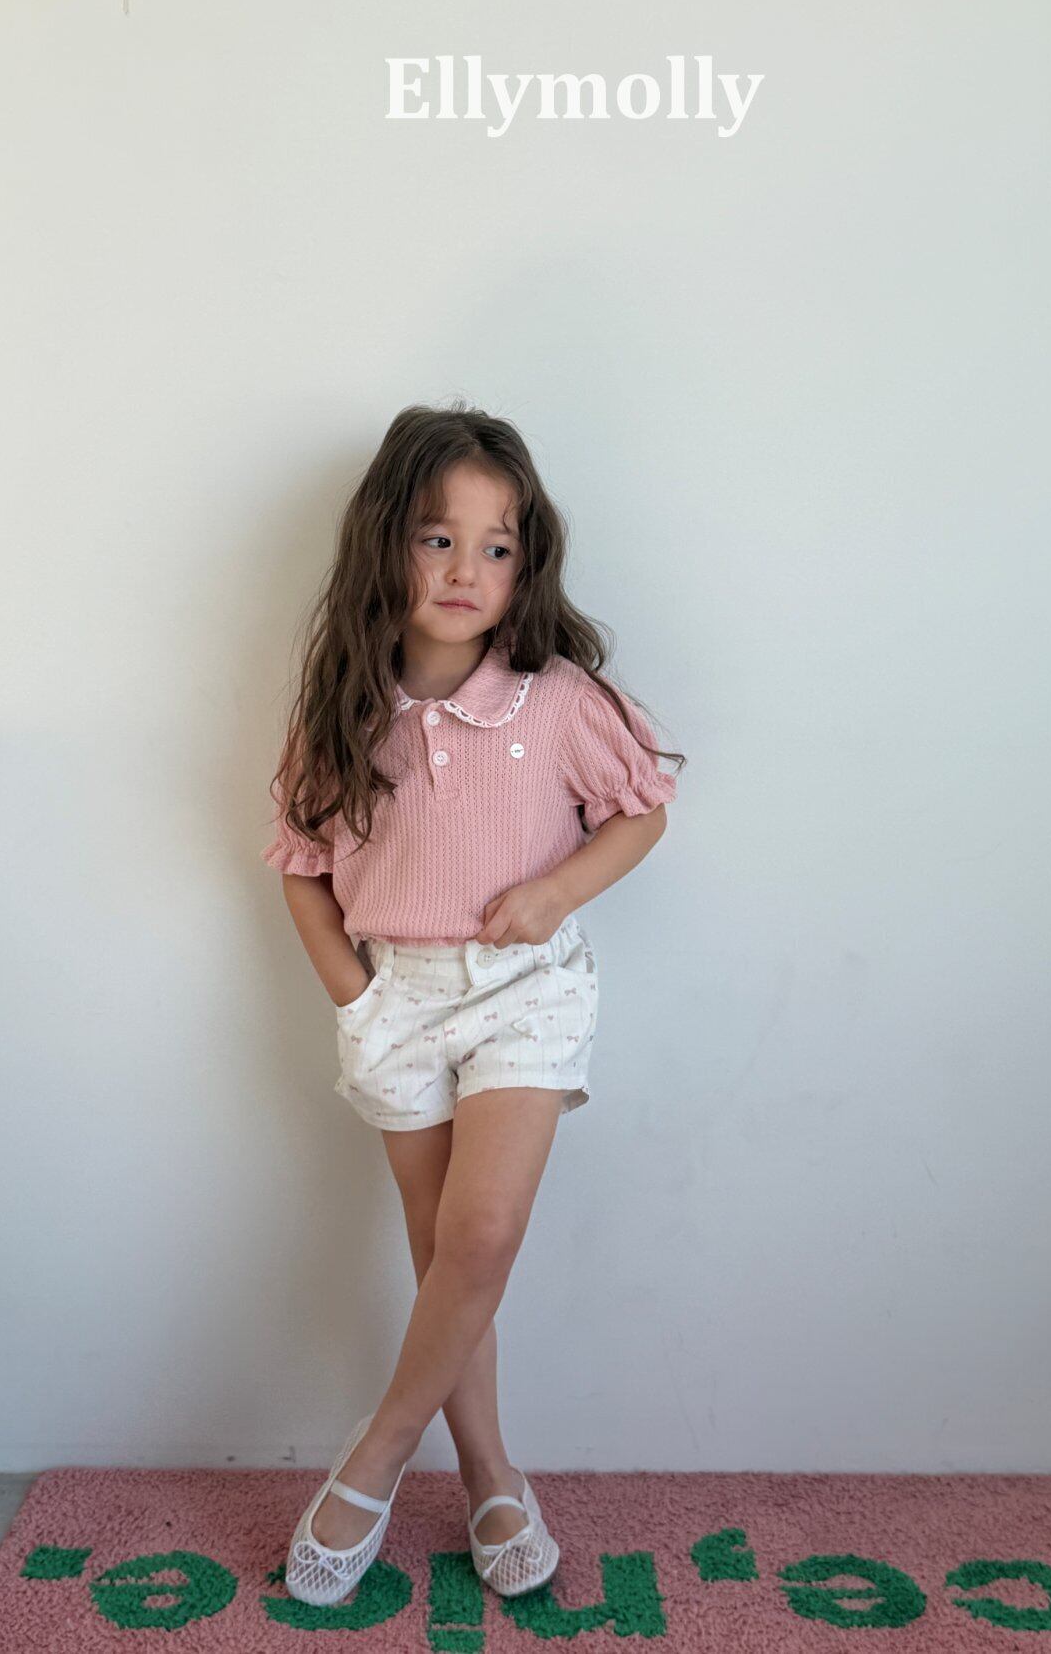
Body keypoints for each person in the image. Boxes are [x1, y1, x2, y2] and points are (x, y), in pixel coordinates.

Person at [261, 402, 684, 1606]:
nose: (465, 569)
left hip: (522, 992)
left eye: (496, 546)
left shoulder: (553, 698)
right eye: (437, 538)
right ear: (386, 542)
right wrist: (354, 990)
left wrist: (555, 892)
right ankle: (493, 1472)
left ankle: (379, 1451)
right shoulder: (343, 706)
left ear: (525, 562)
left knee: (482, 1232)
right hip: (393, 995)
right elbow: (298, 863)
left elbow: (640, 811)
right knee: (445, 1250)